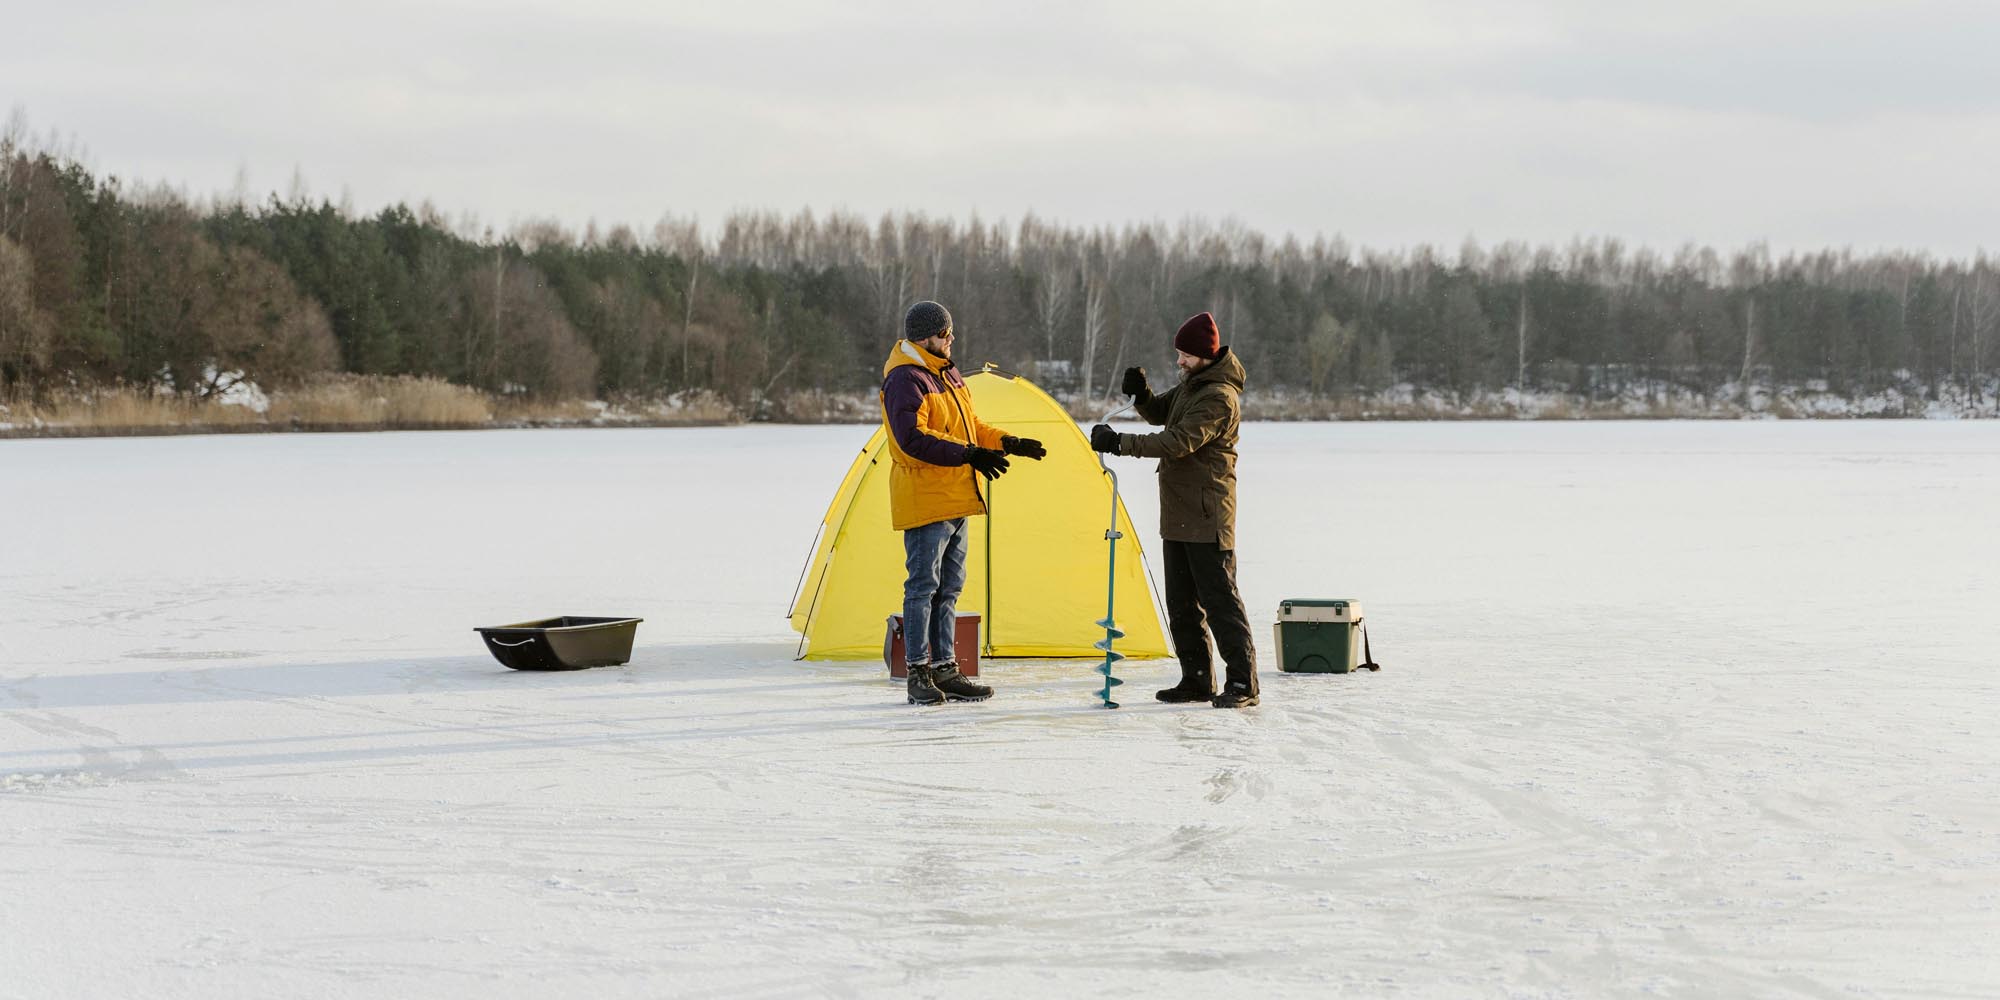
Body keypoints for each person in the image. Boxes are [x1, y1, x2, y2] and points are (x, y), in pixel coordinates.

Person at [1089, 311, 1258, 708]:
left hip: (1208, 515)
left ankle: (1242, 684)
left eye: (1184, 355)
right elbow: (1162, 413)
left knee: (1220, 604)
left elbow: (1177, 441)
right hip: (1179, 514)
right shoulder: (1193, 385)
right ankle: (1196, 680)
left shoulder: (1218, 397)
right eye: (1178, 354)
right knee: (1182, 605)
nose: (1178, 361)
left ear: (1204, 355)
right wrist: (1143, 395)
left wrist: (1120, 443)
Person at [881, 300, 1046, 706]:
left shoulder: (946, 374)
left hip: (957, 497)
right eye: (944, 334)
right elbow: (912, 440)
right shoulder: (906, 379)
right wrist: (970, 455)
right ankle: (918, 673)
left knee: (950, 588)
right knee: (923, 588)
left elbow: (971, 427)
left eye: (950, 332)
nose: (951, 339)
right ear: (924, 338)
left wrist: (1008, 442)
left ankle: (946, 670)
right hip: (926, 499)